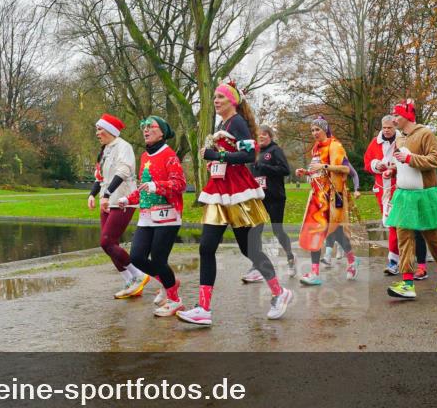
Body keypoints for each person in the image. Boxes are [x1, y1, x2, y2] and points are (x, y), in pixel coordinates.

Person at [178, 82, 293, 326]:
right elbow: (229, 156)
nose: (216, 100)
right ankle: (203, 309)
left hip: (238, 191)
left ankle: (279, 292)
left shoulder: (237, 122)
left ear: (232, 100)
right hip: (219, 190)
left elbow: (250, 156)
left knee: (249, 249)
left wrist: (218, 155)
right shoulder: (223, 124)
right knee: (206, 247)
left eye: (220, 97)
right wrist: (214, 161)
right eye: (215, 97)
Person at [384, 100, 437, 299]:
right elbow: (402, 164)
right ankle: (407, 283)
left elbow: (436, 160)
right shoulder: (399, 138)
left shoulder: (425, 134)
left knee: (432, 237)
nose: (394, 118)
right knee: (403, 236)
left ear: (407, 116)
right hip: (404, 195)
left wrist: (409, 159)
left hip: (424, 195)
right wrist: (392, 169)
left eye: (397, 115)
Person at [123, 116, 187, 317]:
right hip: (146, 216)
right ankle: (169, 283)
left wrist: (157, 186)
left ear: (162, 132)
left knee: (159, 259)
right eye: (143, 126)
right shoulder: (144, 156)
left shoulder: (169, 156)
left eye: (150, 126)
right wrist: (129, 198)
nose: (145, 129)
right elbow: (145, 185)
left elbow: (180, 184)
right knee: (137, 257)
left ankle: (175, 300)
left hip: (167, 216)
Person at [87, 113, 149, 299]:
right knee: (108, 245)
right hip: (107, 202)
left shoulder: (124, 147)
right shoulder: (105, 150)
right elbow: (101, 177)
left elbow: (123, 171)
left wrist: (106, 194)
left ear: (111, 130)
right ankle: (130, 281)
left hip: (123, 200)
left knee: (106, 241)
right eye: (96, 129)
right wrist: (92, 194)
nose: (97, 133)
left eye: (100, 129)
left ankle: (138, 275)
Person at [296, 116, 358, 286]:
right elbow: (317, 173)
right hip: (316, 197)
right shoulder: (315, 148)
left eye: (317, 129)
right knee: (317, 233)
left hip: (331, 197)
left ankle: (351, 260)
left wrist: (324, 166)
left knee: (333, 232)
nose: (315, 133)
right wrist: (306, 172)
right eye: (312, 130)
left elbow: (345, 169)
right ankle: (316, 272)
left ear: (325, 129)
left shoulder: (335, 145)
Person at [243, 125, 296, 281]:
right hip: (259, 198)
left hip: (275, 197)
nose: (261, 137)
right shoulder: (255, 154)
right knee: (255, 231)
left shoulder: (275, 151)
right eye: (259, 135)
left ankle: (290, 257)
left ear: (270, 136)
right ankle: (257, 266)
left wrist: (265, 167)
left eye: (264, 135)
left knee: (277, 230)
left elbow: (285, 170)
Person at [364, 115, 400, 274]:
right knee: (390, 222)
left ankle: (394, 259)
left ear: (395, 127)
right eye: (384, 128)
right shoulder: (375, 142)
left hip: (399, 187)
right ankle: (397, 257)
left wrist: (394, 168)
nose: (386, 131)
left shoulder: (402, 141)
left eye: (389, 128)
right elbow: (367, 163)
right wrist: (376, 165)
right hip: (381, 189)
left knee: (395, 223)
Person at [322, 157, 361, 265]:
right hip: (327, 196)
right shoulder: (324, 157)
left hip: (339, 195)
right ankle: (333, 252)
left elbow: (354, 174)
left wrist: (356, 189)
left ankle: (330, 254)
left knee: (335, 225)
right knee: (332, 225)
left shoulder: (341, 158)